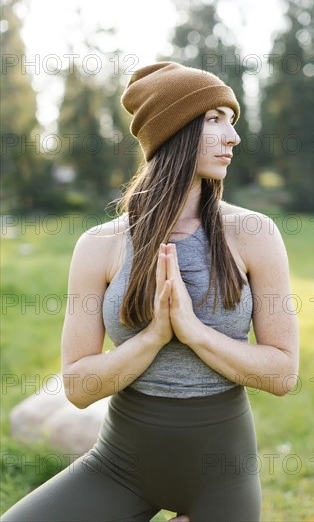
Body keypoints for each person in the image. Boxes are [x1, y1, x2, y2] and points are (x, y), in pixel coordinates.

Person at [2, 61, 299, 522]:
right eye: (214, 119)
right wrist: (153, 337)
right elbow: (79, 388)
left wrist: (194, 332)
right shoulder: (100, 245)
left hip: (221, 476)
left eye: (232, 121)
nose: (233, 137)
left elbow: (282, 374)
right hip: (119, 466)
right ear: (173, 132)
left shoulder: (254, 233)